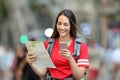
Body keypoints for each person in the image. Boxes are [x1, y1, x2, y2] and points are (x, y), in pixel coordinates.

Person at [26, 9, 89, 80]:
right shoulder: (48, 44)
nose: (62, 27)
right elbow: (42, 73)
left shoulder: (81, 46)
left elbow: (79, 77)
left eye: (65, 24)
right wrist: (32, 63)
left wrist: (70, 59)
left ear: (71, 26)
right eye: (59, 23)